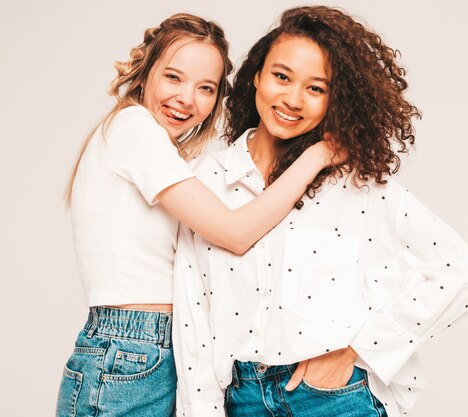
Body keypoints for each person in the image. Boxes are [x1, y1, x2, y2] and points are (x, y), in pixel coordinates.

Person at [173, 6, 468, 417]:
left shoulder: (357, 186)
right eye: (281, 77)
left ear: (333, 100)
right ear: (256, 75)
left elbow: (461, 272)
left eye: (316, 88)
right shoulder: (205, 178)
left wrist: (358, 351)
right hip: (240, 398)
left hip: (332, 400)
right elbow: (193, 309)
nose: (292, 99)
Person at [56, 13, 340, 417]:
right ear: (144, 73)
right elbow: (234, 232)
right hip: (128, 350)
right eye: (173, 77)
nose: (187, 99)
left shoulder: (159, 151)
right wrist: (317, 156)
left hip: (145, 353)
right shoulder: (133, 127)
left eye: (205, 88)